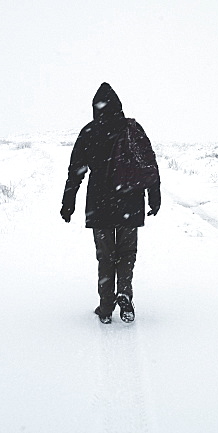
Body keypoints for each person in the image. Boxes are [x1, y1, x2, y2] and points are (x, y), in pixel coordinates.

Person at [60, 82, 161, 324]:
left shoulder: (89, 131)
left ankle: (106, 306)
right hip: (131, 202)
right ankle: (125, 292)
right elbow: (149, 164)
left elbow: (76, 171)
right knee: (127, 252)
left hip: (100, 203)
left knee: (105, 256)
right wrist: (154, 196)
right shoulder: (132, 129)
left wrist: (68, 201)